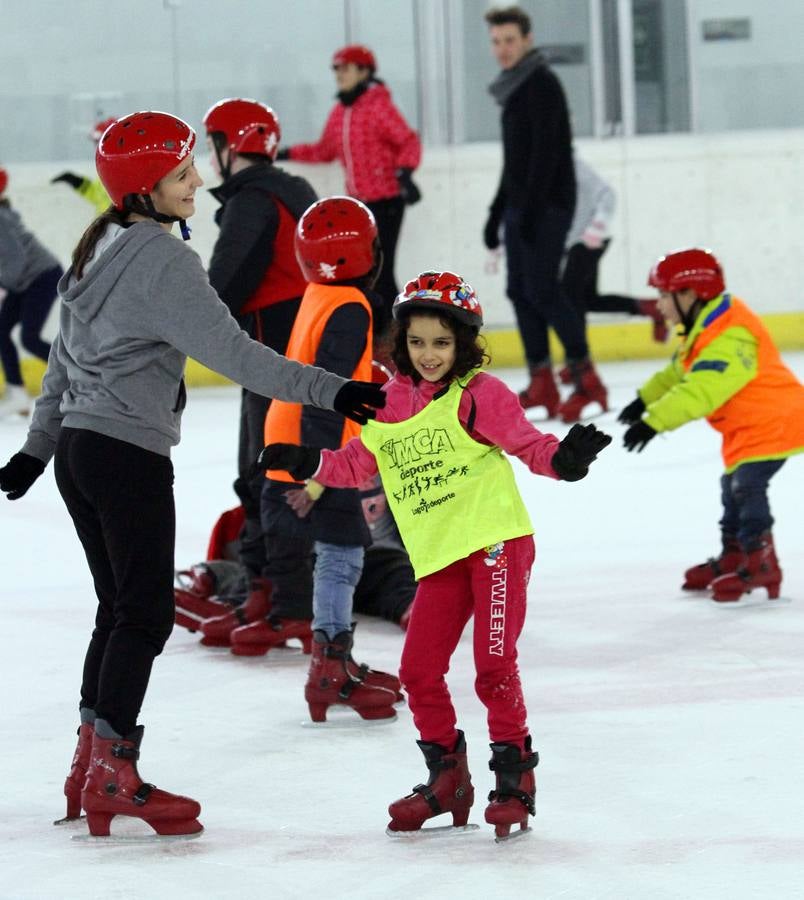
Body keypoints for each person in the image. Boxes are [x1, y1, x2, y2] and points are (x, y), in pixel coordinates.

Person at [0, 111, 385, 839]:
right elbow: (238, 355)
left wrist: (38, 449)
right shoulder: (164, 260)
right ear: (144, 188)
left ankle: (89, 764)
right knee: (143, 615)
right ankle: (112, 773)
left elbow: (60, 365)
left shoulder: (96, 247)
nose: (198, 181)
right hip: (126, 455)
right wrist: (332, 390)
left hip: (81, 452)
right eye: (181, 174)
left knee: (117, 610)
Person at [258, 270, 611, 839]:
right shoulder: (387, 401)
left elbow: (529, 444)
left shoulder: (479, 395)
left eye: (441, 342)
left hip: (495, 544)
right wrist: (307, 462)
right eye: (417, 341)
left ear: (463, 342)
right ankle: (448, 781)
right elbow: (359, 462)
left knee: (493, 667)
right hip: (440, 557)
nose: (428, 354)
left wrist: (564, 461)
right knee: (419, 672)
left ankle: (514, 780)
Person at [233, 195, 400, 723]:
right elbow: (329, 389)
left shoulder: (320, 293)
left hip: (287, 435)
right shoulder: (351, 306)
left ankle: (325, 654)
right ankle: (330, 669)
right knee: (342, 557)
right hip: (316, 448)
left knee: (323, 551)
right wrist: (319, 474)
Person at [619, 248, 804, 602]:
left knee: (747, 485)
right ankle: (735, 556)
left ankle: (762, 562)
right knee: (731, 485)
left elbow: (702, 389)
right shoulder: (707, 326)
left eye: (664, 295)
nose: (659, 305)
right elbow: (679, 371)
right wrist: (644, 399)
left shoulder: (730, 336)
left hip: (775, 421)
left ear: (690, 294)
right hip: (750, 426)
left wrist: (653, 422)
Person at [203, 97, 319, 585]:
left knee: (263, 455)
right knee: (295, 451)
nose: (210, 158)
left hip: (272, 342)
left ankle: (264, 574)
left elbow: (223, 287)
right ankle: (295, 564)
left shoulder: (251, 201)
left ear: (230, 146)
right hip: (311, 335)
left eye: (212, 144)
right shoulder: (295, 189)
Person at [482, 5, 607, 422]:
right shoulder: (514, 88)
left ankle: (587, 379)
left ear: (527, 41)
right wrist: (496, 211)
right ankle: (542, 382)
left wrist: (531, 210)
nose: (502, 48)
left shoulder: (541, 84)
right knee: (519, 290)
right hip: (522, 206)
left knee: (542, 289)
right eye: (496, 42)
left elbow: (547, 154)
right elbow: (514, 161)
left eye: (510, 40)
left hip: (549, 203)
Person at [277, 44, 422, 332]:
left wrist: (405, 172)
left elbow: (408, 141)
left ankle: (396, 333)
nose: (339, 75)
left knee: (382, 272)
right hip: (360, 207)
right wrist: (285, 153)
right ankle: (380, 332)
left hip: (387, 201)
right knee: (365, 273)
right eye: (337, 69)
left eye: (345, 68)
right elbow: (324, 150)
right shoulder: (340, 113)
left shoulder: (378, 107)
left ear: (364, 71)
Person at [561, 155, 668, 354]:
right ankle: (651, 308)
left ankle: (578, 358)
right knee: (587, 299)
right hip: (576, 240)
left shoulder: (570, 164)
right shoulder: (546, 165)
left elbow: (607, 194)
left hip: (588, 238)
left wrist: (597, 227)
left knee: (570, 295)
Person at [0, 166, 63, 418]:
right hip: (22, 282)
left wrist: (3, 283)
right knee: (1, 331)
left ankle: (78, 379)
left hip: (42, 276)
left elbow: (16, 258)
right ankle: (17, 394)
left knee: (29, 338)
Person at [51, 117, 113, 214]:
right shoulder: (106, 169)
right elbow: (97, 195)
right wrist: (77, 182)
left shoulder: (122, 170)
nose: (97, 147)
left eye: (99, 142)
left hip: (115, 223)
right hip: (107, 222)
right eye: (96, 142)